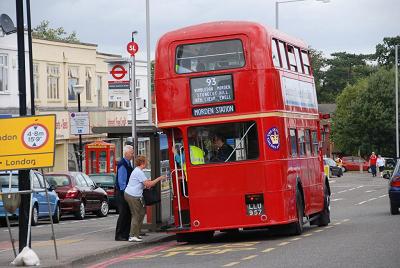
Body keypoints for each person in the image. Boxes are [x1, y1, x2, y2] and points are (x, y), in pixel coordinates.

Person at [124, 155, 166, 242]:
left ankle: (137, 234)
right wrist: (159, 178)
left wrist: (146, 183)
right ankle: (132, 235)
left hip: (137, 195)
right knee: (136, 215)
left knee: (142, 212)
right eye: (145, 161)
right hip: (132, 195)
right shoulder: (138, 172)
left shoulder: (139, 171)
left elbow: (145, 184)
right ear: (142, 163)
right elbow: (149, 184)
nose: (146, 163)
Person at [114, 145, 134, 241]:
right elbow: (122, 181)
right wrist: (126, 193)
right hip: (122, 193)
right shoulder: (122, 164)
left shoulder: (128, 163)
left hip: (126, 192)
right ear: (126, 153)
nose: (132, 155)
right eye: (131, 153)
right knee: (123, 214)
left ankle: (125, 234)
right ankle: (119, 235)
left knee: (128, 214)